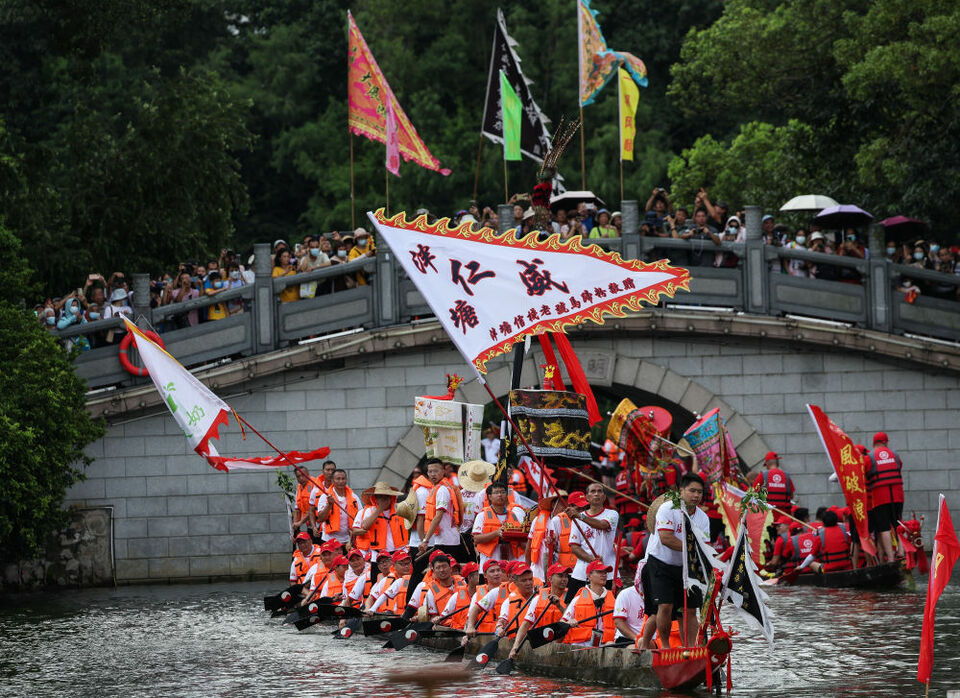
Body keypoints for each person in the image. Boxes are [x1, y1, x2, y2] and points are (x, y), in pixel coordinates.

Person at [642, 473, 710, 649]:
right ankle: (664, 646)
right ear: (681, 491)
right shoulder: (667, 508)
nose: (696, 495)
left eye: (700, 492)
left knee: (691, 610)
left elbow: (705, 548)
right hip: (661, 563)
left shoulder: (703, 518)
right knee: (665, 606)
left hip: (688, 566)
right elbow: (666, 538)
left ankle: (692, 648)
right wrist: (693, 548)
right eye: (692, 491)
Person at [566, 484, 619, 600]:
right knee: (571, 606)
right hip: (581, 572)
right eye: (593, 491)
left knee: (608, 608)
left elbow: (602, 525)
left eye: (600, 491)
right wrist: (592, 560)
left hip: (607, 572)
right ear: (587, 497)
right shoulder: (577, 518)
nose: (596, 494)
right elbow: (574, 546)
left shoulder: (612, 514)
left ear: (604, 497)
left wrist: (581, 517)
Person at [508, 563, 570, 658]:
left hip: (563, 646)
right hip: (542, 644)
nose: (564, 579)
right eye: (560, 576)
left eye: (566, 576)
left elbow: (572, 621)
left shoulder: (571, 597)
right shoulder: (538, 599)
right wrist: (515, 646)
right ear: (550, 579)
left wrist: (559, 606)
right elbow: (526, 624)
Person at [867, 431, 905, 563]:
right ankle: (901, 551)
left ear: (874, 443)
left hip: (880, 497)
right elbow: (899, 466)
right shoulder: (895, 455)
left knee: (884, 528)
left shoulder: (869, 457)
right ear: (885, 442)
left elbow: (865, 473)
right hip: (897, 495)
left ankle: (890, 558)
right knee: (898, 523)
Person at [560, 560, 616, 647]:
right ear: (589, 576)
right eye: (600, 572)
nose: (604, 575)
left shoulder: (613, 600)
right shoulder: (577, 600)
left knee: (612, 645)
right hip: (580, 645)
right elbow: (562, 623)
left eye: (605, 572)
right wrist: (569, 622)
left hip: (605, 645)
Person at [472, 482, 527, 568]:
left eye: (502, 492)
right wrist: (496, 533)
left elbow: (522, 542)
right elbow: (476, 539)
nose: (500, 495)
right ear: (490, 496)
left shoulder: (514, 515)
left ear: (506, 495)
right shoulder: (482, 515)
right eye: (496, 492)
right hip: (490, 563)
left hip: (511, 563)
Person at [352, 481, 409, 560]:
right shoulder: (370, 511)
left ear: (391, 497)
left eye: (386, 496)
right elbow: (365, 526)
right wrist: (380, 509)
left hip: (398, 553)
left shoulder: (399, 509)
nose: (384, 499)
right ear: (375, 498)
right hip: (378, 555)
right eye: (380, 496)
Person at [316, 469, 362, 546]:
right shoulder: (325, 497)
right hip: (330, 540)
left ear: (346, 480)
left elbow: (361, 516)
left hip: (349, 541)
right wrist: (329, 505)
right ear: (332, 481)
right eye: (338, 479)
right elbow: (320, 518)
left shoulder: (354, 497)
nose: (341, 481)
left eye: (343, 479)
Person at [367, 550, 414, 615]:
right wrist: (371, 609)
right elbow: (372, 597)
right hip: (386, 615)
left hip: (408, 616)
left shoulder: (415, 580)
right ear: (394, 565)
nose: (406, 566)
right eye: (402, 564)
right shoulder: (386, 580)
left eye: (408, 563)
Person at [437, 562, 480, 628]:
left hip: (481, 633)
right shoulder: (456, 596)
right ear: (469, 578)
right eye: (478, 575)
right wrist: (437, 620)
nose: (481, 577)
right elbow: (443, 617)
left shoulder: (485, 594)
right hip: (459, 633)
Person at [613, 564, 646, 644]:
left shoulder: (658, 594)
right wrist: (636, 639)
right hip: (627, 639)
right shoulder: (625, 594)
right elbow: (619, 622)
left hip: (652, 640)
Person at [292, 468, 318, 536]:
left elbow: (312, 510)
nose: (301, 478)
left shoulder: (315, 485)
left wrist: (300, 522)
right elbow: (297, 510)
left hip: (318, 526)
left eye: (303, 475)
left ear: (308, 474)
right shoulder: (299, 488)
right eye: (298, 476)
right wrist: (295, 528)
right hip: (309, 525)